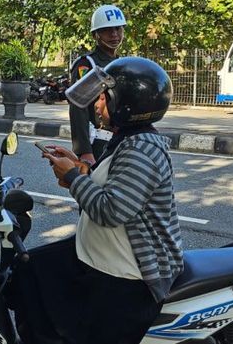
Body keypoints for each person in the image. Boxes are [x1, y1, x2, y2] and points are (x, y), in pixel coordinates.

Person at [38, 57, 183, 344]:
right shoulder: (127, 139)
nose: (97, 104)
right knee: (34, 269)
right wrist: (81, 169)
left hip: (128, 275)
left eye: (103, 97)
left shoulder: (142, 149)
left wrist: (74, 179)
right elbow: (113, 186)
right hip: (102, 259)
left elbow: (111, 210)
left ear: (125, 104)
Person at [69, 4, 125, 165]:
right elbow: (78, 107)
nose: (114, 34)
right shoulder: (88, 64)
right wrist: (84, 151)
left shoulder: (121, 63)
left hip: (121, 139)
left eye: (118, 29)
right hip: (99, 143)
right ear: (96, 35)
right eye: (107, 30)